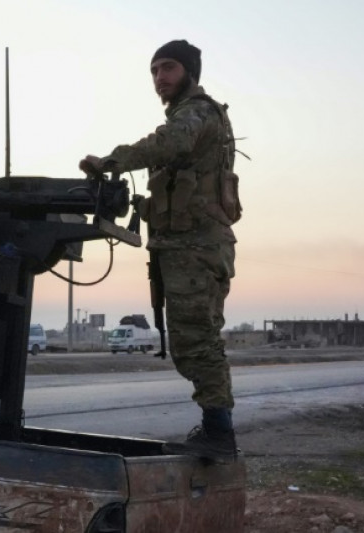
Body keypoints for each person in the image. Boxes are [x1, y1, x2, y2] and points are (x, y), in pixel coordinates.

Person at [79, 39, 242, 461]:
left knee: (197, 343)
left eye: (168, 68)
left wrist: (111, 162)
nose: (159, 78)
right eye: (154, 71)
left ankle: (219, 434)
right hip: (187, 247)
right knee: (196, 342)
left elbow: (169, 143)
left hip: (195, 248)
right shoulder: (192, 115)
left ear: (189, 72)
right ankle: (217, 429)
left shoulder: (197, 113)